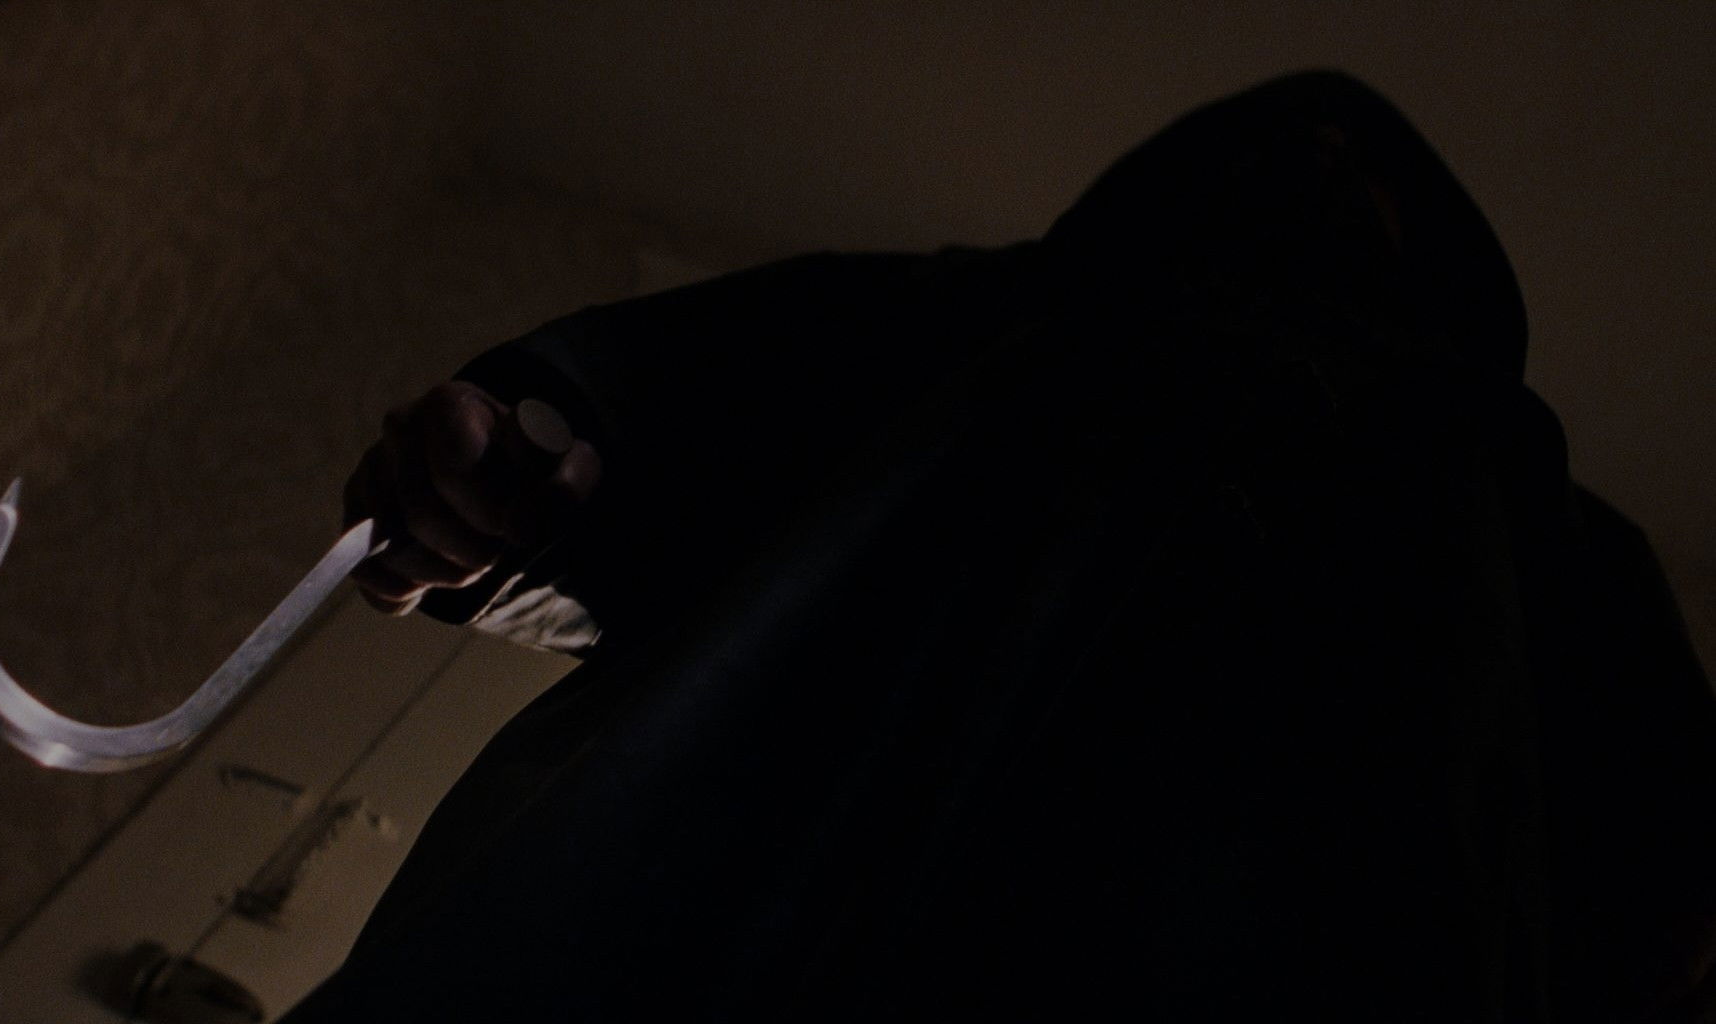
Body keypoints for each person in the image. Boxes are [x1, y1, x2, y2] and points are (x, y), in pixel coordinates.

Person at [285, 72, 1716, 1021]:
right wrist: (481, 489)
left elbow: (1657, 906)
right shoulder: (943, 340)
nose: (1319, 200)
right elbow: (625, 445)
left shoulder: (1542, 543)